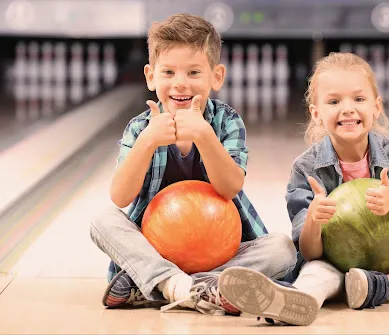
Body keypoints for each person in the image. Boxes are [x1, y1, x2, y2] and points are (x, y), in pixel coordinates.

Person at [218, 52, 389, 325]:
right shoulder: (306, 168)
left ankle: (382, 286)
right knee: (315, 274)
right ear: (316, 113)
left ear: (377, 107)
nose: (348, 108)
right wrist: (314, 220)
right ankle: (296, 302)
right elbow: (311, 252)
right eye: (334, 101)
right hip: (335, 266)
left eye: (359, 99)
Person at [89, 13, 297, 316]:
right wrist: (147, 142)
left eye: (194, 72)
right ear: (150, 76)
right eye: (169, 72)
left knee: (283, 249)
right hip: (155, 250)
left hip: (221, 255)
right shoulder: (140, 128)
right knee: (102, 220)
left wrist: (204, 135)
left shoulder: (227, 122)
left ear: (217, 76)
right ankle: (192, 287)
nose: (180, 83)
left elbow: (230, 187)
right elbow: (121, 197)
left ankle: (168, 286)